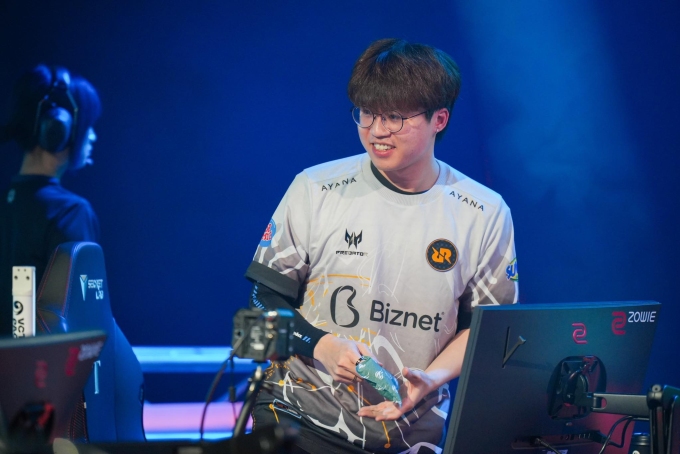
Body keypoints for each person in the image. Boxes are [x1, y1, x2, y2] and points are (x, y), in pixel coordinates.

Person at [245, 38, 519, 453]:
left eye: (394, 117)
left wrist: (431, 378)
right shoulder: (316, 188)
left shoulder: (483, 211)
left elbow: (487, 328)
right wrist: (321, 344)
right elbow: (262, 298)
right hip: (298, 418)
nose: (376, 131)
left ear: (439, 119)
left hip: (411, 436)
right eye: (366, 113)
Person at [0, 64, 101, 337]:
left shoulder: (8, 205)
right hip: (42, 366)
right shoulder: (70, 213)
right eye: (87, 125)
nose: (92, 136)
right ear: (59, 130)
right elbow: (87, 328)